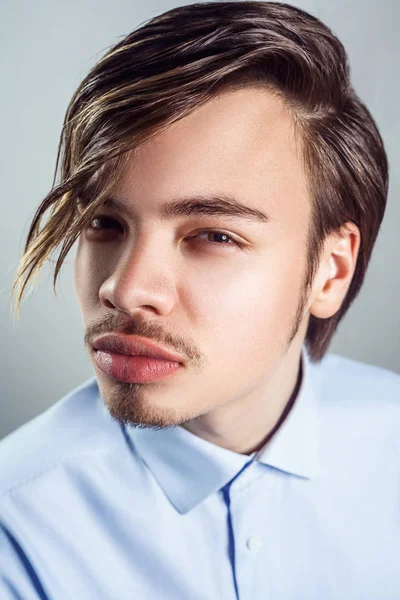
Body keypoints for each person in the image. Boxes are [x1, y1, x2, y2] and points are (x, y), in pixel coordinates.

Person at [1, 1, 399, 598]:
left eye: (214, 235)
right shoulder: (17, 525)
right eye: (104, 223)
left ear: (330, 270)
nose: (124, 289)